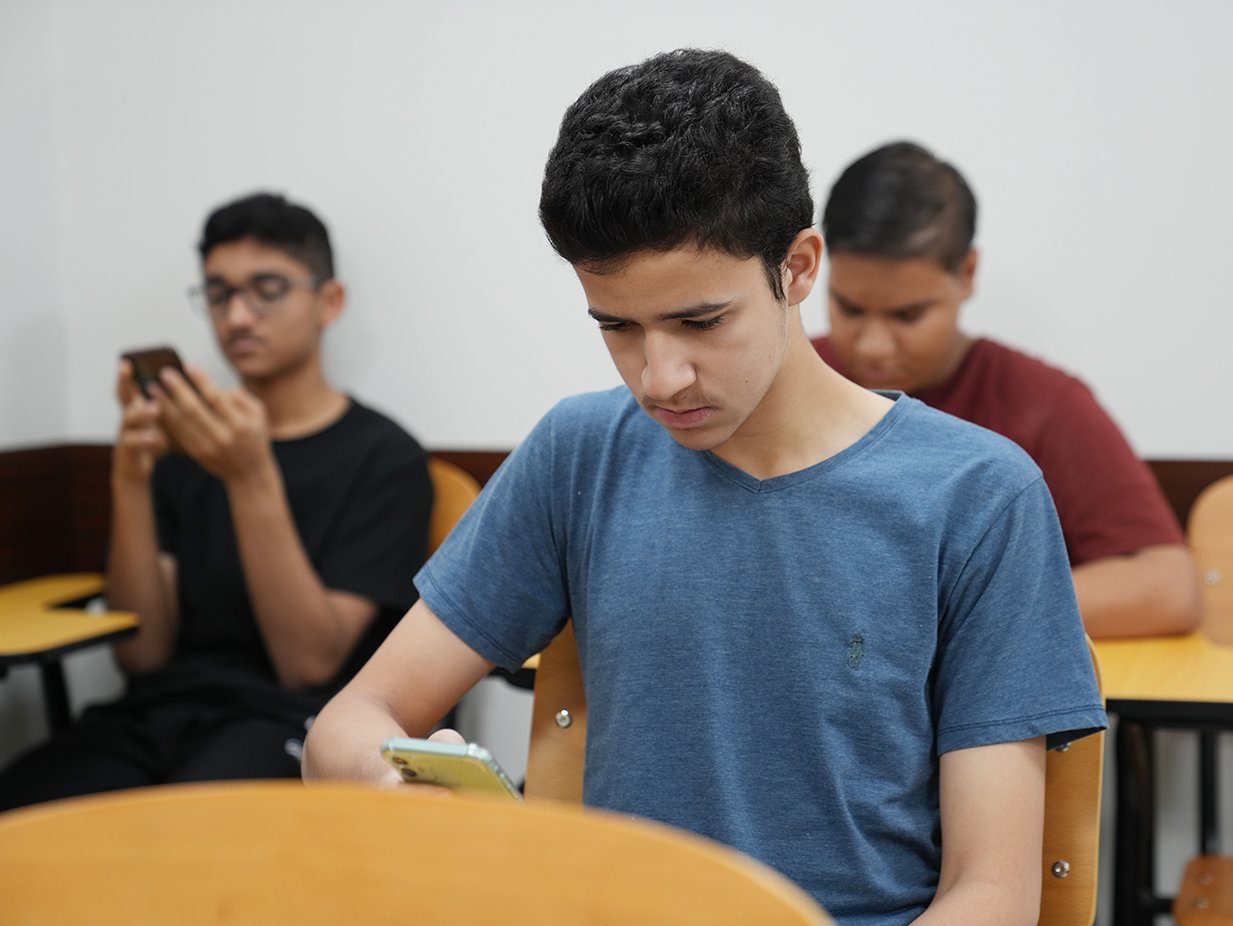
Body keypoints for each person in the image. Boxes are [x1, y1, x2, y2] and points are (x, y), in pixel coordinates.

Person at [302, 50, 1105, 926]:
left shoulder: (977, 496)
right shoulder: (580, 455)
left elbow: (993, 897)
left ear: (797, 267)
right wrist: (389, 781)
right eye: (616, 326)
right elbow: (348, 722)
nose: (660, 378)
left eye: (700, 321)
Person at [0, 193, 432, 810]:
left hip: (291, 719)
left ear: (329, 301)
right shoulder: (185, 453)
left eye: (267, 290)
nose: (237, 316)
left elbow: (307, 664)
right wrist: (130, 478)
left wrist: (251, 476)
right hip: (158, 711)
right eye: (219, 293)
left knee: (186, 840)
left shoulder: (384, 457)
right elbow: (141, 653)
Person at [815, 141, 1202, 639]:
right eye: (848, 308)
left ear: (967, 274)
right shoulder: (788, 382)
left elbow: (1167, 587)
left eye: (907, 315)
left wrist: (952, 612)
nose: (873, 345)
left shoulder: (1043, 403)